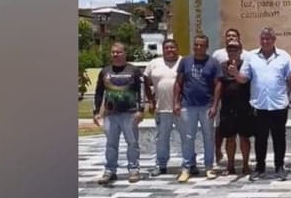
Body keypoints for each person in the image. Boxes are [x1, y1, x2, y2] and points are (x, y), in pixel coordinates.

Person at [231, 27, 291, 181]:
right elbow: (244, 78)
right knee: (260, 138)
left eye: (268, 38)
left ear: (274, 40)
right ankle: (260, 167)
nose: (265, 41)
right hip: (259, 105)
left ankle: (279, 167)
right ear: (260, 40)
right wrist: (235, 74)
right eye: (263, 39)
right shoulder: (252, 56)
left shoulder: (284, 56)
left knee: (279, 138)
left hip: (279, 105)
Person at [93, 42, 144, 184]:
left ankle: (133, 169)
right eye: (113, 52)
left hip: (130, 113)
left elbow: (141, 91)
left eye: (118, 52)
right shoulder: (105, 71)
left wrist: (141, 110)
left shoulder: (134, 70)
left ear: (124, 53)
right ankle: (110, 170)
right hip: (111, 114)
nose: (115, 55)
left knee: (132, 143)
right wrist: (97, 111)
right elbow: (99, 93)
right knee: (111, 143)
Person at [173, 35, 221, 182]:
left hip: (207, 106)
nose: (198, 48)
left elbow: (218, 84)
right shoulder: (185, 61)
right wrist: (176, 102)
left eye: (201, 45)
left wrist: (215, 105)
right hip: (188, 105)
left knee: (208, 137)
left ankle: (209, 167)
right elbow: (178, 83)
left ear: (207, 46)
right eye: (196, 45)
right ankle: (186, 168)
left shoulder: (213, 63)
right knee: (188, 138)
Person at [210, 39, 253, 175]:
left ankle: (246, 165)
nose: (232, 52)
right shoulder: (221, 66)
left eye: (235, 49)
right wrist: (215, 105)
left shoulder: (247, 65)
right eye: (230, 49)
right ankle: (230, 166)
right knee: (230, 138)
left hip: (244, 107)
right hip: (227, 108)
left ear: (240, 51)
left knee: (244, 138)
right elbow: (218, 86)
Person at [143, 38, 182, 176]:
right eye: (167, 48)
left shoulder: (183, 62)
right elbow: (145, 81)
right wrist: (150, 100)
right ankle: (161, 165)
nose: (170, 50)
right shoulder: (154, 63)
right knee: (162, 138)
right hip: (161, 108)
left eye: (172, 47)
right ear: (163, 49)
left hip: (181, 108)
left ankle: (190, 164)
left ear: (177, 48)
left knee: (186, 137)